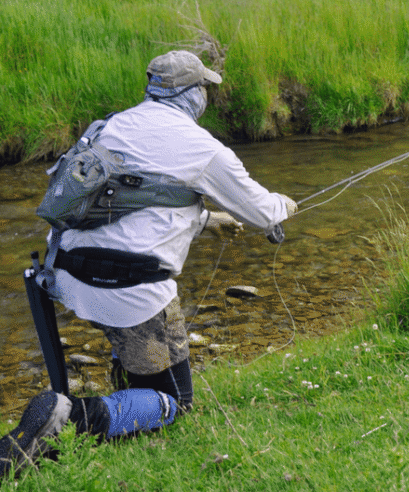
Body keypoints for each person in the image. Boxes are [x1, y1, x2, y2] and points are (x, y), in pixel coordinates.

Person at [0, 50, 297, 479]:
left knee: (138, 348)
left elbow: (129, 202)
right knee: (174, 401)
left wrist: (208, 220)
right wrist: (283, 205)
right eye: (204, 89)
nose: (206, 97)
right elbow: (264, 212)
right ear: (194, 94)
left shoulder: (112, 124)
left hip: (63, 276)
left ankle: (125, 384)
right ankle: (72, 418)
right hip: (128, 293)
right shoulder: (203, 148)